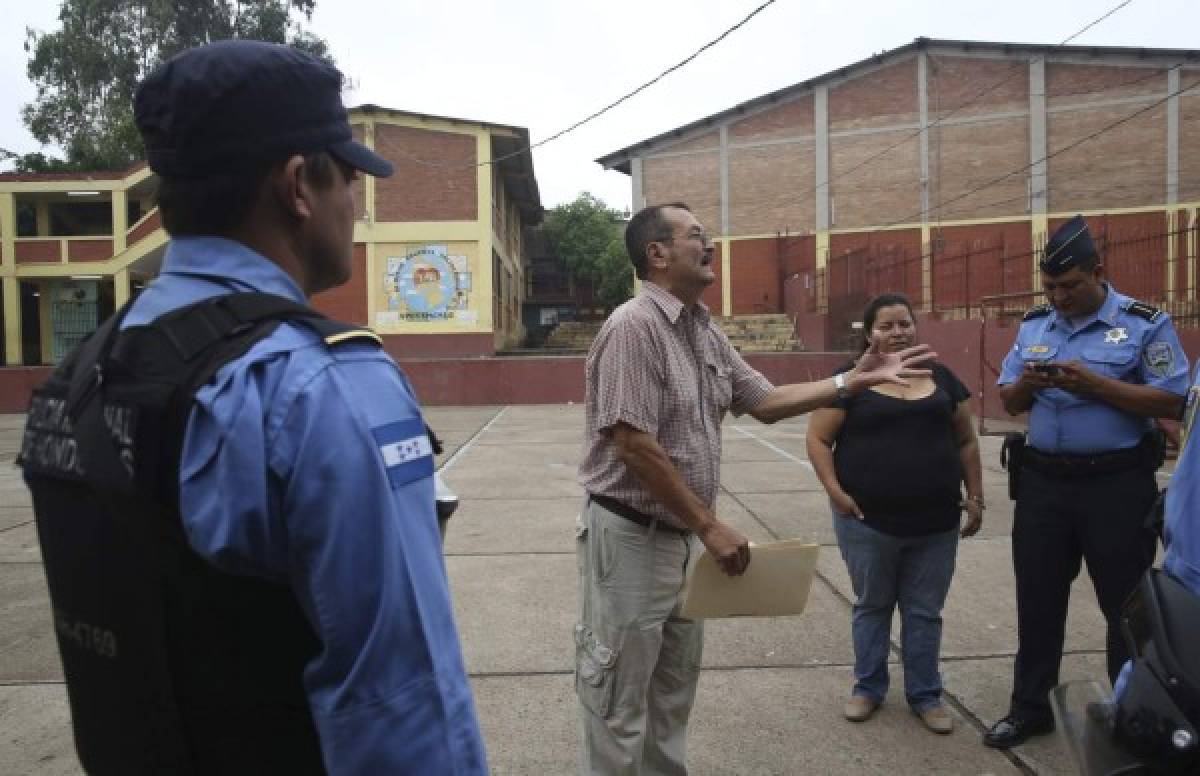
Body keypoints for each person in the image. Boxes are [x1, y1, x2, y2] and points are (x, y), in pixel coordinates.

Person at [18, 40, 486, 774]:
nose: (353, 205)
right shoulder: (318, 383)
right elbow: (399, 699)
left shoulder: (79, 375)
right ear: (300, 185)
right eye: (349, 180)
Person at [575, 202, 935, 775]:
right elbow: (634, 445)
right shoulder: (633, 327)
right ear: (658, 254)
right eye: (696, 236)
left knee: (671, 694)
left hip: (683, 539)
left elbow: (763, 401)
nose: (710, 243)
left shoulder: (701, 329)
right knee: (619, 697)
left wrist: (851, 380)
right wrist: (710, 525)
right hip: (633, 540)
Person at [983, 215, 1189, 749]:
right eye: (1050, 288)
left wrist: (1096, 385)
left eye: (1070, 286)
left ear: (1099, 272)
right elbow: (1008, 399)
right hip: (1043, 485)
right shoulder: (1035, 325)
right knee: (1038, 600)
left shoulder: (1146, 323)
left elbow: (1172, 400)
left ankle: (1132, 713)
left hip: (1116, 487)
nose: (1059, 297)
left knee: (1124, 608)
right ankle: (1030, 708)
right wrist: (1027, 381)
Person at [806, 292, 983, 735]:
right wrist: (834, 492)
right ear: (869, 334)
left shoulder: (943, 379)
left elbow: (966, 440)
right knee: (872, 606)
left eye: (904, 323)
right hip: (867, 520)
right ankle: (868, 688)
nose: (897, 331)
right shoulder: (849, 381)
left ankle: (926, 696)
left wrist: (975, 495)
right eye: (886, 326)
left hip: (935, 523)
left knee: (925, 611)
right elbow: (817, 440)